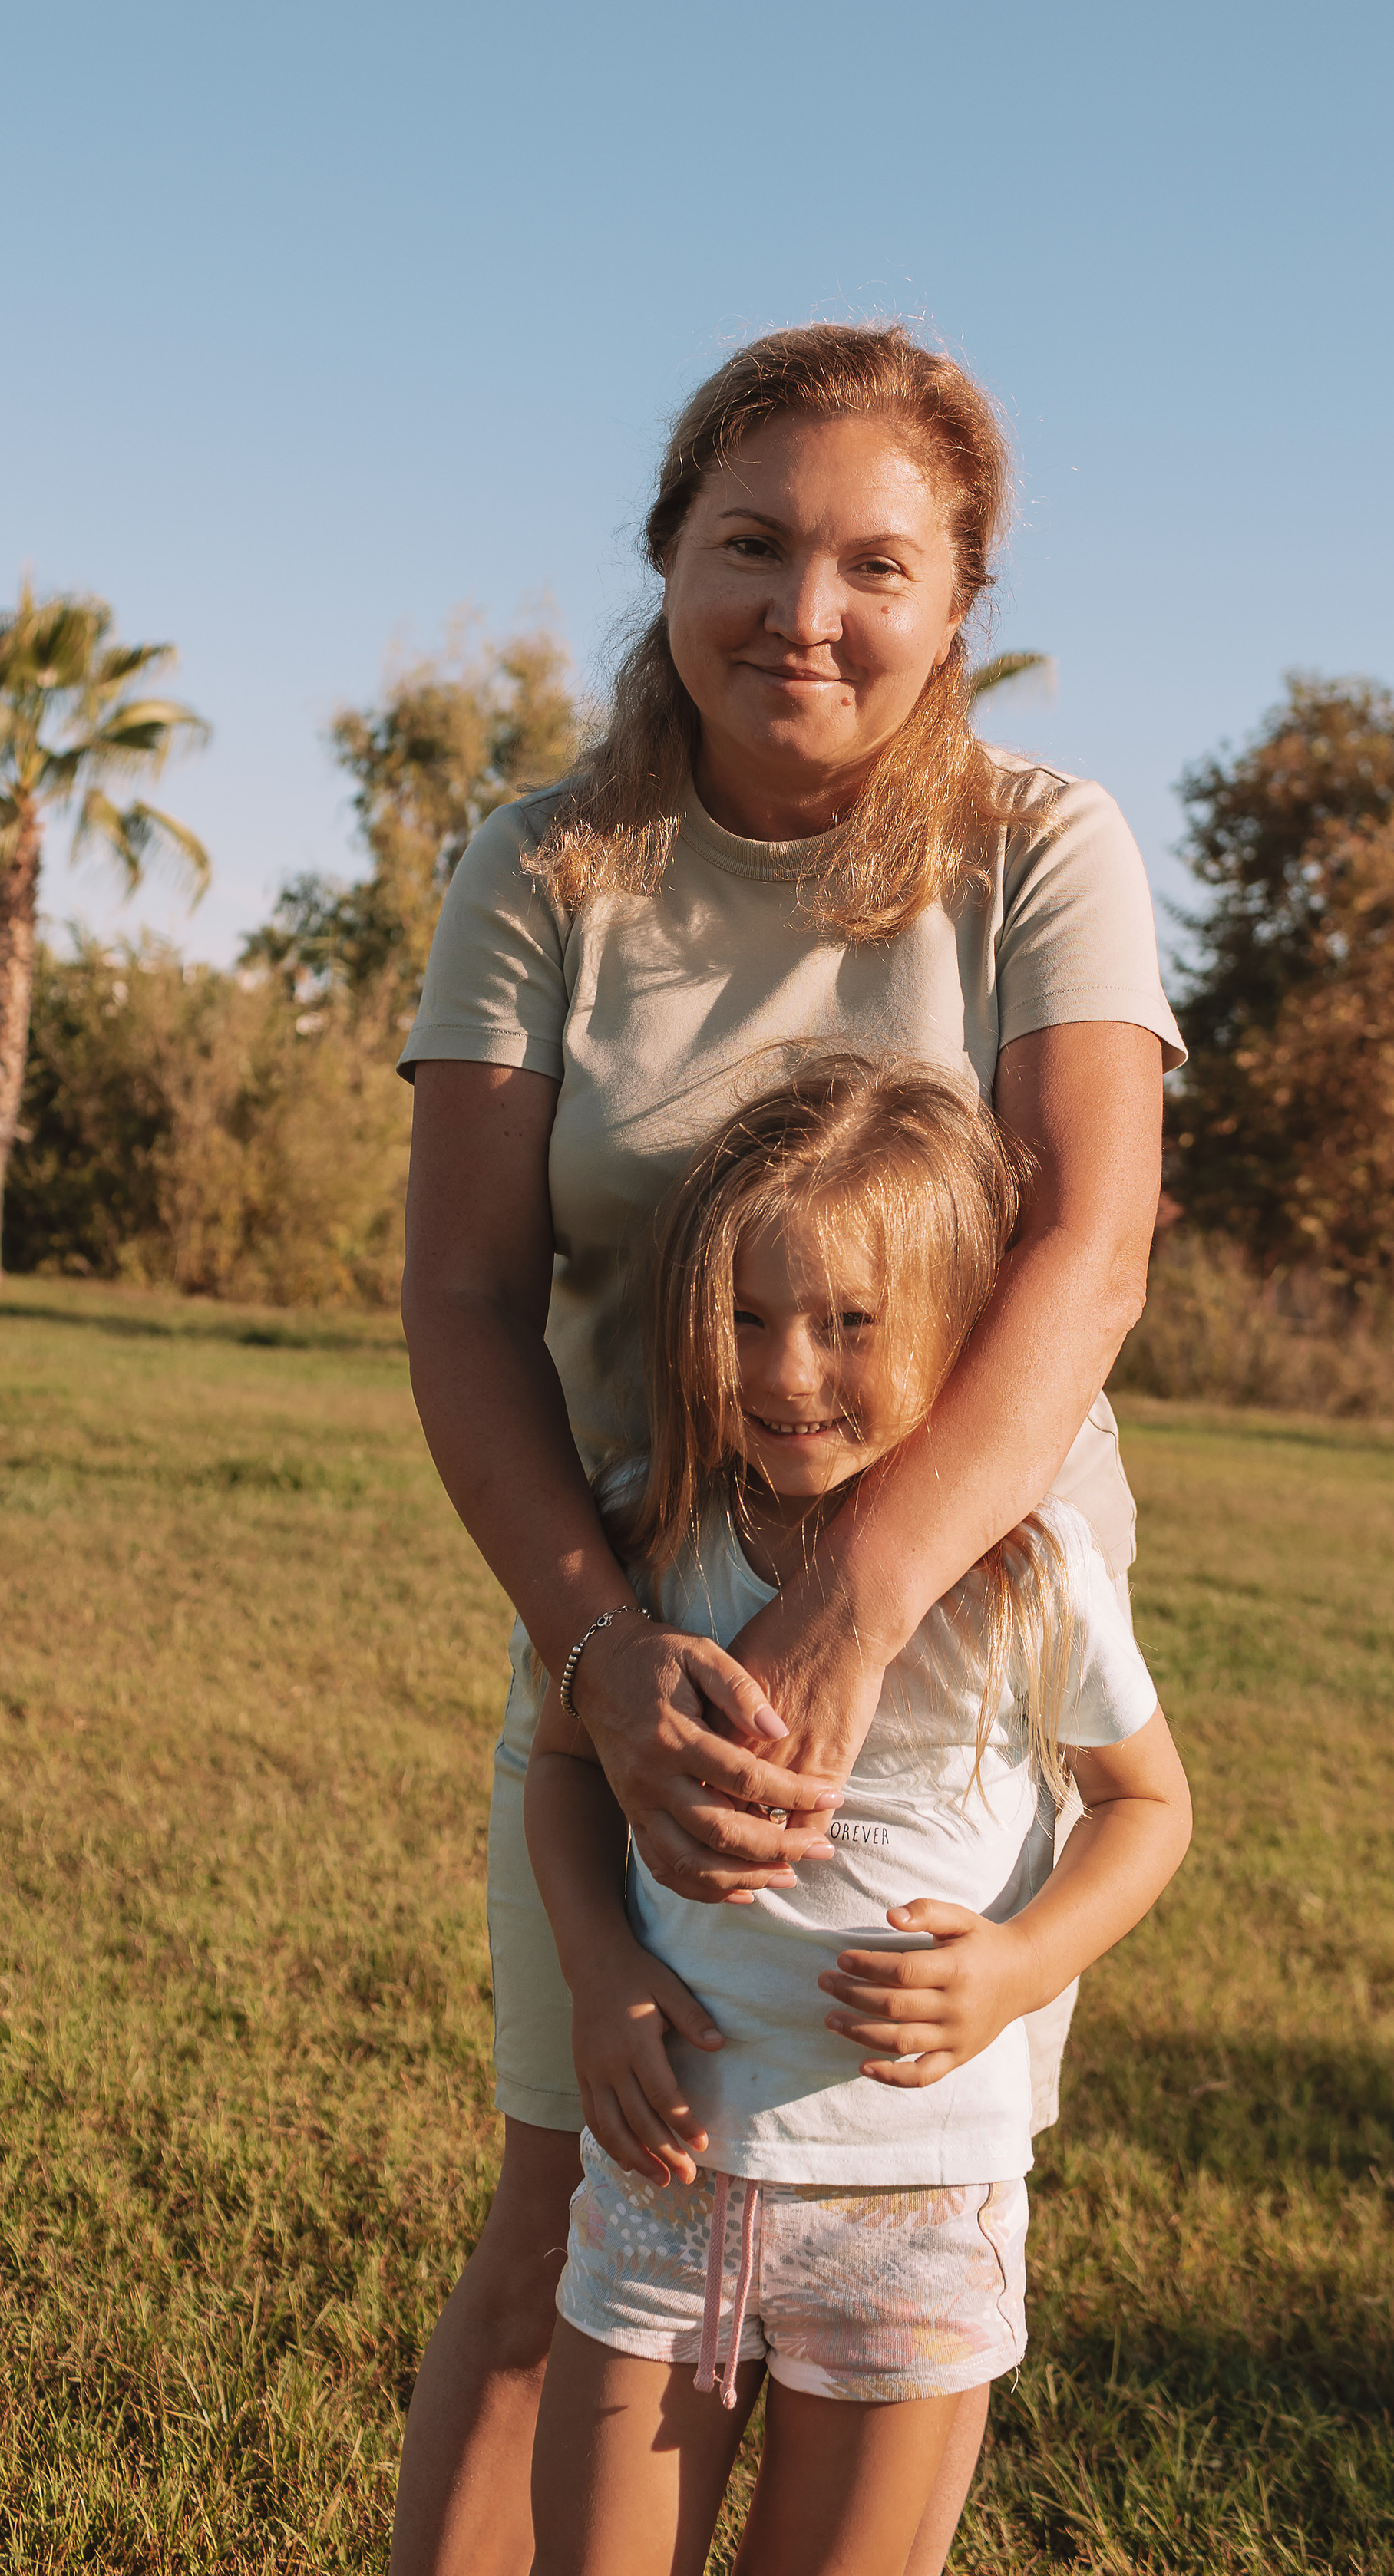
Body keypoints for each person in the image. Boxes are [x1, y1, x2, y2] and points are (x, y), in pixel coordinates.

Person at [391, 322, 1186, 2576]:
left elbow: (1093, 1252)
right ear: (668, 557)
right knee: (576, 2183)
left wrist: (861, 1607)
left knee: (887, 2229)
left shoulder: (1045, 852)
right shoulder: (547, 870)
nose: (805, 612)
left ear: (961, 611)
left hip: (959, 1649)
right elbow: (460, 1300)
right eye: (751, 544)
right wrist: (602, 1655)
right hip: (635, 1597)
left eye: (877, 563)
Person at [522, 1059, 1192, 2576]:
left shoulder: (1030, 1573)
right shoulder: (647, 1530)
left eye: (846, 1324)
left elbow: (1144, 1806)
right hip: (664, 2190)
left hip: (913, 2207)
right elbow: (562, 1769)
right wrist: (601, 1968)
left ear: (958, 1330)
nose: (784, 1372)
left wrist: (1019, 1973)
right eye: (746, 1320)